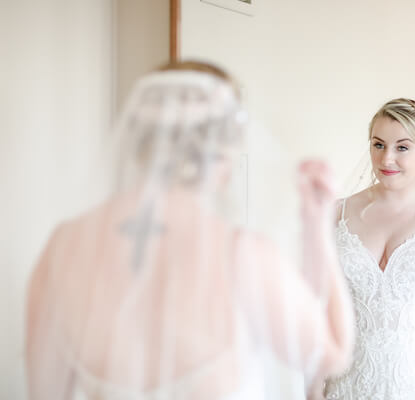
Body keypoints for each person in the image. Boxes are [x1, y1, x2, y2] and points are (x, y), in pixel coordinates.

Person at [25, 60, 355, 400]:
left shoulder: (65, 244)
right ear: (224, 148)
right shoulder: (242, 254)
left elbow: (44, 391)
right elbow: (331, 354)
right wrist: (318, 227)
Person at [323, 98, 415, 399]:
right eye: (378, 145)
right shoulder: (336, 213)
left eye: (402, 147)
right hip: (354, 374)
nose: (386, 159)